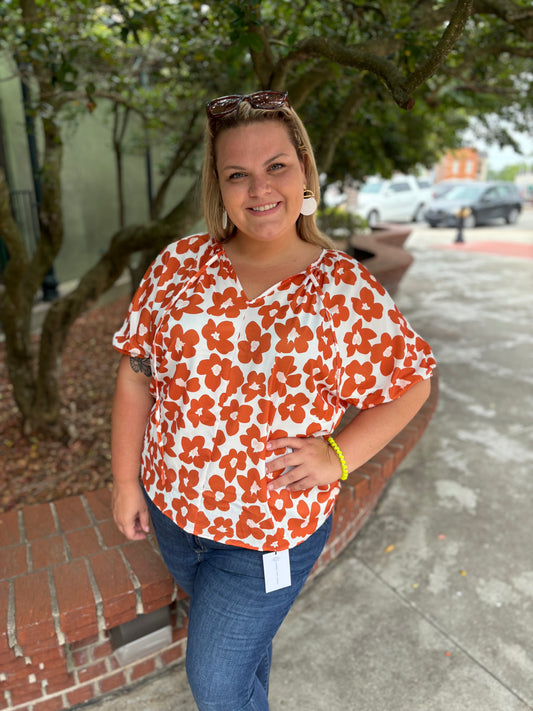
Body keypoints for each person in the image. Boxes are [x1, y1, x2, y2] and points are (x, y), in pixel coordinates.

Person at [111, 90, 436, 711]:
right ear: (220, 186)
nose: (259, 188)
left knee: (213, 680)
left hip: (268, 536)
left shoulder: (341, 287)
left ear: (305, 171)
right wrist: (126, 481)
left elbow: (411, 382)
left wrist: (337, 457)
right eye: (238, 174)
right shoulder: (180, 264)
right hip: (176, 517)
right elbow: (135, 373)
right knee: (239, 662)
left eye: (276, 166)